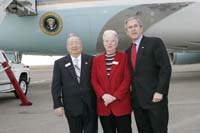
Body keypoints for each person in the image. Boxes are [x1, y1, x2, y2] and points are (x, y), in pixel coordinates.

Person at [125, 17, 172, 133]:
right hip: (138, 103)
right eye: (130, 27)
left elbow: (165, 68)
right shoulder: (128, 51)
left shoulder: (154, 43)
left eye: (135, 26)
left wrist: (160, 91)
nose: (133, 29)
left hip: (155, 100)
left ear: (141, 28)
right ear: (127, 32)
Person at [51, 33, 98, 133]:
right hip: (72, 108)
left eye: (76, 42)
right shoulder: (60, 63)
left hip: (90, 106)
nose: (74, 45)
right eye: (71, 43)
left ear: (81, 45)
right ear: (67, 47)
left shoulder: (91, 60)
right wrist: (57, 104)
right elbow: (56, 86)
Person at [91, 30, 132, 133]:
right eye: (107, 41)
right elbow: (94, 80)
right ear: (103, 43)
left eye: (112, 41)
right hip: (104, 106)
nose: (109, 43)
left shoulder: (124, 57)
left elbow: (127, 79)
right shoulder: (96, 60)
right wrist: (103, 95)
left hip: (121, 104)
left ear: (116, 42)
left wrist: (115, 96)